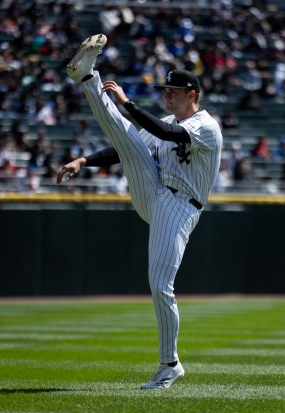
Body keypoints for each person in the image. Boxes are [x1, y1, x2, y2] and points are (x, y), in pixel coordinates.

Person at [57, 34, 223, 390]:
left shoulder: (206, 126)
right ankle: (88, 77)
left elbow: (165, 131)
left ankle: (170, 364)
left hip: (180, 208)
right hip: (157, 194)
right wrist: (84, 161)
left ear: (191, 95)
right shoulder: (167, 119)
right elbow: (126, 147)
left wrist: (128, 104)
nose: (167, 96)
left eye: (173, 92)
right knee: (129, 138)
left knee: (160, 285)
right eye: (166, 90)